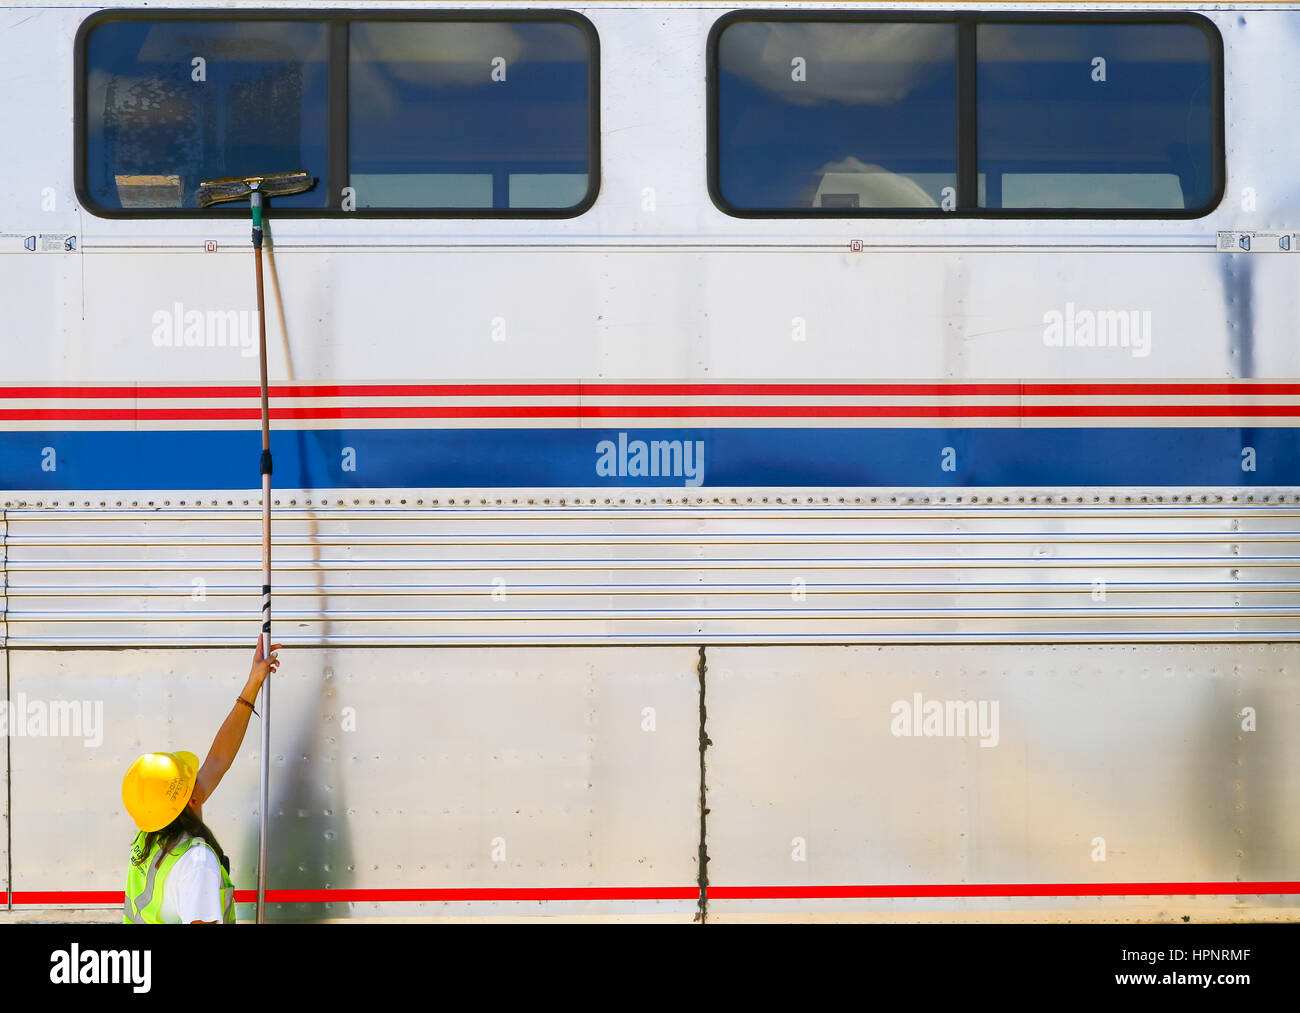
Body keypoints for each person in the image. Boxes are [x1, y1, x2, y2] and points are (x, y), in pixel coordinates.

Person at [122, 635, 281, 923]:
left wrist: (254, 682)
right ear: (192, 798)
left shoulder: (150, 835)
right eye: (191, 777)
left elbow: (220, 759)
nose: (200, 775)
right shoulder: (197, 863)